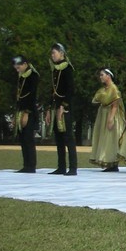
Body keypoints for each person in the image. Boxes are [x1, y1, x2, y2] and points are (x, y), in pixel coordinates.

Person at [46, 42, 77, 175]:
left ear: (61, 53)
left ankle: (73, 167)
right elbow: (53, 91)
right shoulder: (55, 69)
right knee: (58, 137)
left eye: (54, 53)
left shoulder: (67, 69)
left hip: (65, 108)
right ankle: (61, 166)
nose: (52, 55)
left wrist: (63, 106)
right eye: (52, 53)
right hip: (56, 106)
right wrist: (49, 108)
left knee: (68, 137)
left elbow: (70, 90)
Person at [89, 68, 125, 171]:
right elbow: (96, 100)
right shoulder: (103, 89)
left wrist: (111, 119)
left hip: (111, 114)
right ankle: (108, 162)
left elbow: (115, 105)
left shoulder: (113, 89)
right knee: (104, 137)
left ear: (108, 76)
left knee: (111, 138)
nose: (100, 77)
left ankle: (113, 163)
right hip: (103, 113)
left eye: (102, 75)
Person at [12, 55, 38, 173]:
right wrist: (16, 113)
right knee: (22, 138)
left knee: (28, 138)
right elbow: (19, 97)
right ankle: (26, 164)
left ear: (25, 64)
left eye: (19, 67)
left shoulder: (33, 75)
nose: (17, 70)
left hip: (29, 111)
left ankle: (31, 165)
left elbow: (32, 96)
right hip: (20, 110)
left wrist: (27, 112)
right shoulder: (21, 76)